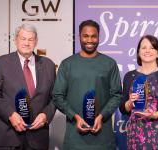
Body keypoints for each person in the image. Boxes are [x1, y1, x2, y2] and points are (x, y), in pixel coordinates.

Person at [52, 20, 122, 150]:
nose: (89, 40)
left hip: (103, 138)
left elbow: (117, 95)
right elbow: (57, 96)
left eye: (93, 36)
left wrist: (101, 116)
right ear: (79, 37)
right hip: (75, 138)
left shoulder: (109, 63)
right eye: (85, 36)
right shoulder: (67, 64)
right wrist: (75, 116)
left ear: (98, 37)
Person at [0, 24, 56, 150]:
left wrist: (46, 115)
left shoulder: (48, 65)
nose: (26, 43)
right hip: (9, 136)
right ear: (15, 40)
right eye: (23, 39)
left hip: (38, 137)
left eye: (31, 39)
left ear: (36, 41)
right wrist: (10, 114)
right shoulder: (1, 63)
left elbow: (55, 97)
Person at [119, 35, 158, 150]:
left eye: (151, 48)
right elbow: (122, 108)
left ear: (157, 53)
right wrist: (130, 103)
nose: (147, 51)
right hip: (135, 131)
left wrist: (154, 115)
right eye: (143, 47)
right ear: (138, 52)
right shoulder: (129, 76)